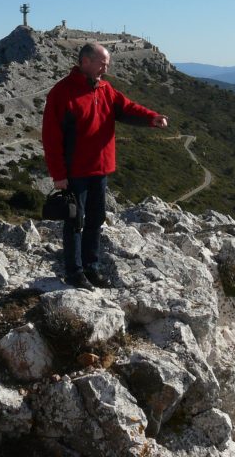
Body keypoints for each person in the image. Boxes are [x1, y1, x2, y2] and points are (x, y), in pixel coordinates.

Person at [42, 42, 168, 289]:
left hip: (100, 169)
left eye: (107, 64)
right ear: (85, 61)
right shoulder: (62, 92)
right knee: (75, 221)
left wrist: (152, 117)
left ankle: (92, 268)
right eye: (102, 64)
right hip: (75, 171)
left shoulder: (105, 89)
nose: (105, 69)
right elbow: (51, 137)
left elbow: (127, 108)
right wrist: (58, 174)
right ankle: (74, 272)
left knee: (96, 220)